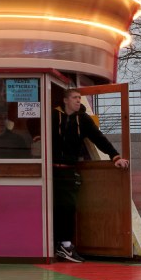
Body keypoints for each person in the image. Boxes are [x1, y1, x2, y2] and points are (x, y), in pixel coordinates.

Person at [51, 87, 129, 263]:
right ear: (65, 101)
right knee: (54, 208)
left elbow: (99, 138)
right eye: (75, 98)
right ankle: (57, 244)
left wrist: (115, 156)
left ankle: (65, 244)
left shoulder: (83, 120)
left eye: (80, 98)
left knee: (68, 207)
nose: (79, 100)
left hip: (68, 170)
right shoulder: (53, 116)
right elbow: (33, 124)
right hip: (50, 171)